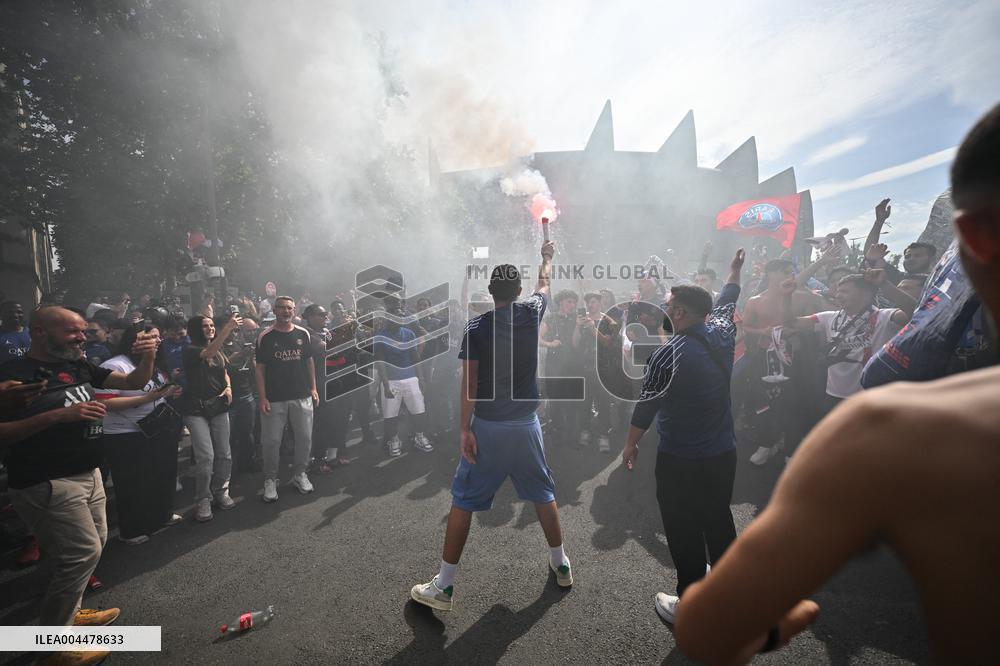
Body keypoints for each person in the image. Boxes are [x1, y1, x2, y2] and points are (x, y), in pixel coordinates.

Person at [672, 104, 1000, 666]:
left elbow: (709, 631)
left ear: (968, 240)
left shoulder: (907, 429)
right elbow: (793, 317)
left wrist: (781, 617)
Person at [410, 240, 573, 612]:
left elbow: (469, 384)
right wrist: (546, 258)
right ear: (518, 291)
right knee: (543, 493)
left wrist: (464, 429)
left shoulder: (477, 326)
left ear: (490, 292)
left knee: (463, 501)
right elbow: (544, 284)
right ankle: (561, 563)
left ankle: (444, 586)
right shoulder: (532, 311)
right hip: (527, 424)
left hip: (489, 426)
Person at [0, 307, 158, 665]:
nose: (83, 338)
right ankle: (55, 649)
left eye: (84, 331)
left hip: (88, 472)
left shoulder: (80, 366)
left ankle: (69, 616)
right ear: (40, 332)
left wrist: (148, 355)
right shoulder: (10, 375)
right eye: (73, 332)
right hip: (46, 479)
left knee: (94, 545)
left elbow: (134, 383)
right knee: (80, 554)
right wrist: (58, 416)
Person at [621, 248, 745, 625]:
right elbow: (728, 299)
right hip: (723, 451)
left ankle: (691, 604)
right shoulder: (722, 330)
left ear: (678, 314)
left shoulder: (669, 353)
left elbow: (646, 406)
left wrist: (630, 444)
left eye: (667, 304)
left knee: (683, 526)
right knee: (718, 519)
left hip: (682, 459)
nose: (663, 308)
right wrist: (734, 270)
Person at [97, 325, 183, 544]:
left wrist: (170, 391)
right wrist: (147, 398)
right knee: (132, 483)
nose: (154, 341)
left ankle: (162, 515)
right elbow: (105, 403)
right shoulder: (115, 365)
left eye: (156, 337)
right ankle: (132, 529)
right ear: (132, 341)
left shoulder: (156, 364)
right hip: (125, 435)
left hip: (158, 428)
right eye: (147, 338)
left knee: (161, 475)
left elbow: (160, 390)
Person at [785, 273, 911, 411]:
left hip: (870, 397)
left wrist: (884, 284)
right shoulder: (828, 318)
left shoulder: (885, 316)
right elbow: (792, 322)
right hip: (833, 394)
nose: (838, 295)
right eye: (838, 291)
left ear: (865, 293)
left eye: (845, 291)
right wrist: (785, 296)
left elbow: (915, 313)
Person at [255, 296, 318, 502]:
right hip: (274, 398)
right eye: (281, 308)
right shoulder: (265, 336)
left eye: (289, 308)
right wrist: (262, 397)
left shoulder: (303, 334)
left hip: (302, 395)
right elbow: (260, 369)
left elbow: (309, 362)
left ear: (294, 310)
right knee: (271, 442)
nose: (285, 311)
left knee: (305, 438)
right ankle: (270, 479)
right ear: (274, 310)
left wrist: (313, 388)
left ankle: (300, 474)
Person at [182, 314, 240, 521]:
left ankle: (221, 491)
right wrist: (228, 329)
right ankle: (203, 498)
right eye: (204, 326)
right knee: (206, 456)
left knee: (225, 453)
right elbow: (208, 353)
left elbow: (223, 371)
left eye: (211, 325)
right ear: (195, 329)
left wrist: (229, 388)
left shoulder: (218, 349)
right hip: (195, 409)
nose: (209, 328)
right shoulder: (189, 349)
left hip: (218, 405)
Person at [374, 296, 433, 457]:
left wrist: (420, 380)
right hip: (391, 381)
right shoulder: (380, 336)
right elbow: (380, 363)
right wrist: (385, 386)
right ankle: (394, 440)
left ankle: (419, 437)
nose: (400, 318)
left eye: (402, 316)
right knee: (390, 415)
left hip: (411, 379)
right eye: (396, 316)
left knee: (419, 412)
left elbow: (415, 359)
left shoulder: (408, 333)